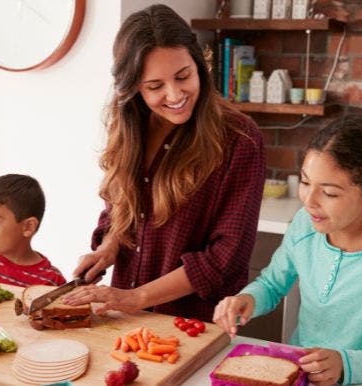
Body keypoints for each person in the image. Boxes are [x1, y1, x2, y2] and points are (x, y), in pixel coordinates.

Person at [62, 4, 265, 322]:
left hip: (193, 324)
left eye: (183, 76)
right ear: (133, 87)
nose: (175, 94)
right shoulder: (129, 128)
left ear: (199, 64)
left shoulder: (240, 139)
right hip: (124, 319)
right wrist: (108, 248)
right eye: (155, 86)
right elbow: (121, 208)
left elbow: (226, 256)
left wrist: (137, 297)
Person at [213, 116, 362, 386]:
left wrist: (347, 365)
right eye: (305, 182)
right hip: (302, 376)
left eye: (329, 193)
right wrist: (248, 299)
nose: (309, 201)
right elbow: (272, 282)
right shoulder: (305, 224)